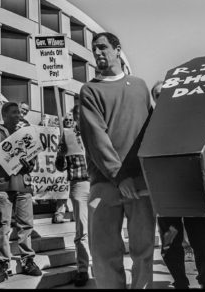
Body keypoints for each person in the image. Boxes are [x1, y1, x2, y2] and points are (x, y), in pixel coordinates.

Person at [79, 32, 156, 289]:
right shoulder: (89, 90)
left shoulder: (140, 86)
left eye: (103, 47)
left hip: (142, 183)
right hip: (105, 184)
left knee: (144, 252)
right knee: (103, 253)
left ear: (117, 49)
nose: (98, 53)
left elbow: (152, 131)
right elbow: (96, 138)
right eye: (94, 49)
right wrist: (119, 176)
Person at [150, 80, 205, 289]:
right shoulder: (149, 125)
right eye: (158, 95)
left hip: (192, 189)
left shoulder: (191, 118)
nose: (162, 97)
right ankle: (180, 282)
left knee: (201, 241)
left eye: (165, 93)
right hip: (165, 194)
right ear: (154, 100)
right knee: (170, 243)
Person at [0, 102, 42, 283]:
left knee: (26, 225)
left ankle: (27, 260)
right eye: (14, 113)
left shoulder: (26, 134)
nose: (18, 115)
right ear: (4, 115)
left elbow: (33, 163)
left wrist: (28, 163)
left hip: (23, 185)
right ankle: (2, 262)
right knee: (2, 225)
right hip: (2, 186)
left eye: (19, 113)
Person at [55, 105, 91, 287]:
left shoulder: (98, 131)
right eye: (79, 114)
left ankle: (102, 265)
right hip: (79, 186)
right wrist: (60, 155)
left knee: (101, 226)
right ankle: (83, 269)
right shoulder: (67, 135)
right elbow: (59, 166)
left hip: (100, 184)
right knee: (82, 228)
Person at [52, 112, 74, 224]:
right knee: (62, 190)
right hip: (61, 165)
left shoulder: (76, 133)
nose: (69, 122)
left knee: (74, 191)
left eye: (71, 120)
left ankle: (74, 214)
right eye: (66, 120)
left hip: (74, 166)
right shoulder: (58, 133)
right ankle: (59, 214)